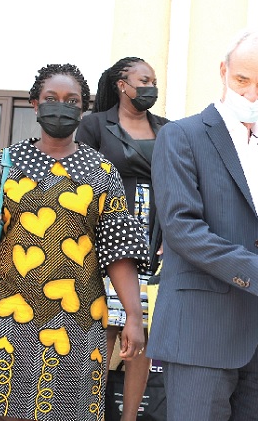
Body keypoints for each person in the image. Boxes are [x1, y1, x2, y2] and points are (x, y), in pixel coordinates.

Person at [0, 63, 149, 421]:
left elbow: (118, 251)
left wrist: (133, 316)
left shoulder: (103, 171)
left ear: (83, 110)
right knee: (5, 413)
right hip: (7, 315)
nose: (61, 106)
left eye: (72, 101)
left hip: (79, 320)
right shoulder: (6, 162)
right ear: (35, 104)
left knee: (68, 413)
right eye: (51, 98)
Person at [147, 30, 258, 421]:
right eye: (242, 80)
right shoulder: (182, 136)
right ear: (224, 72)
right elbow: (182, 228)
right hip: (201, 333)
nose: (252, 94)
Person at [76, 56, 169, 421]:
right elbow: (78, 179)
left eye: (154, 80)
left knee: (142, 332)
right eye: (143, 79)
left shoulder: (167, 129)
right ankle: (89, 413)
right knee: (106, 329)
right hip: (107, 235)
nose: (150, 86)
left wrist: (170, 236)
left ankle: (129, 418)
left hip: (154, 236)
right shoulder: (96, 125)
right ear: (121, 83)